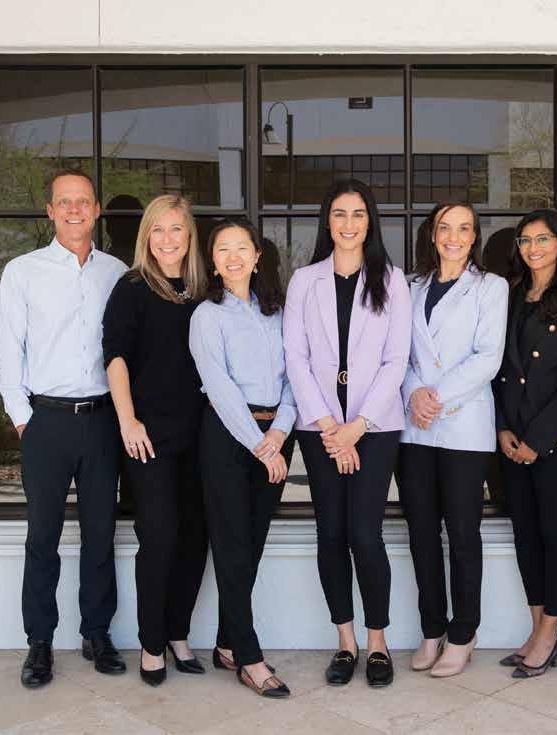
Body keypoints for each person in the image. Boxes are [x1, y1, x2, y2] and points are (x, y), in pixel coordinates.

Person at [0, 169, 128, 689]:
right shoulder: (23, 272)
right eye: (64, 202)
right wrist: (23, 420)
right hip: (45, 422)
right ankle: (40, 642)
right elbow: (9, 351)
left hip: (101, 421)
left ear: (97, 210)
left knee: (100, 534)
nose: (74, 209)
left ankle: (97, 633)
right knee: (42, 537)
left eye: (83, 201)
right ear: (50, 211)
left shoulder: (117, 273)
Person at [283, 179, 411, 688]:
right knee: (331, 534)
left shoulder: (392, 280)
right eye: (340, 214)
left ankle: (378, 642)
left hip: (373, 427)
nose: (349, 224)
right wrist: (329, 428)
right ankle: (346, 642)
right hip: (319, 428)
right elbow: (295, 358)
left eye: (358, 214)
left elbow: (396, 361)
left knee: (365, 533)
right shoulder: (304, 280)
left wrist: (355, 428)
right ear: (327, 221)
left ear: (370, 221)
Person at [101, 194, 209, 686]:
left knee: (195, 537)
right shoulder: (132, 288)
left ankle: (178, 633)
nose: (167, 239)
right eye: (158, 230)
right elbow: (116, 357)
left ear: (189, 236)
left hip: (202, 434)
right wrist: (128, 421)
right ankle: (151, 643)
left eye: (176, 229)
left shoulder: (204, 291)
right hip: (149, 436)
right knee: (159, 536)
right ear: (147, 236)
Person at [399, 202, 508, 677]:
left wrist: (434, 397)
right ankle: (431, 629)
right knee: (421, 533)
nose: (453, 236)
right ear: (433, 233)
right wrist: (412, 393)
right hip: (415, 427)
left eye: (464, 229)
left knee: (462, 534)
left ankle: (463, 633)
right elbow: (396, 353)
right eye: (445, 227)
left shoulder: (491, 287)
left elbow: (488, 357)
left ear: (474, 236)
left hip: (464, 426)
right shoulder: (409, 287)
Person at [190, 219, 297, 699]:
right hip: (228, 437)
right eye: (222, 250)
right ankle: (250, 658)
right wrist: (259, 444)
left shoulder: (280, 312)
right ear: (212, 262)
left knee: (250, 546)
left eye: (241, 248)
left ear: (257, 256)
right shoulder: (206, 316)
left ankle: (226, 643)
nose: (232, 257)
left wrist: (279, 433)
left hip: (275, 435)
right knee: (232, 547)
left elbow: (297, 376)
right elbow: (219, 388)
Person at [493, 208, 557, 679]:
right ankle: (538, 631)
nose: (533, 248)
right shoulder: (509, 294)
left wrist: (537, 439)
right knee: (525, 535)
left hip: (554, 441)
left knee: (554, 535)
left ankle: (550, 631)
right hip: (511, 439)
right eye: (525, 240)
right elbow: (497, 369)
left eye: (542, 239)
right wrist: (502, 428)